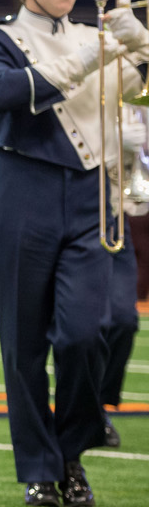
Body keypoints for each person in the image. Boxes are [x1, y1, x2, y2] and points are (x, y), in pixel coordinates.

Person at [0, 0, 147, 507]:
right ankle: (44, 468)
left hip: (92, 196)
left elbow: (136, 90)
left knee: (88, 332)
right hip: (25, 191)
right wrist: (88, 57)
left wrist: (141, 47)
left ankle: (71, 448)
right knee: (23, 346)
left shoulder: (96, 37)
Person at [102, 111, 146, 447]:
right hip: (77, 207)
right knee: (79, 328)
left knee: (124, 319)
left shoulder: (136, 94)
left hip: (116, 217)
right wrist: (115, 141)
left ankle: (99, 404)